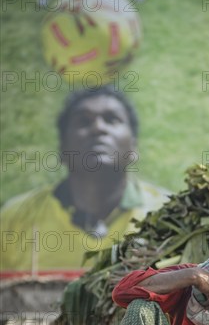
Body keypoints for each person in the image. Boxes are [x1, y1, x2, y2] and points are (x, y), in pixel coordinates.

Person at [0, 85, 169, 272]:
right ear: (63, 149)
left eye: (112, 119)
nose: (98, 128)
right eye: (83, 121)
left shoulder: (166, 216)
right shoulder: (14, 220)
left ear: (133, 148)